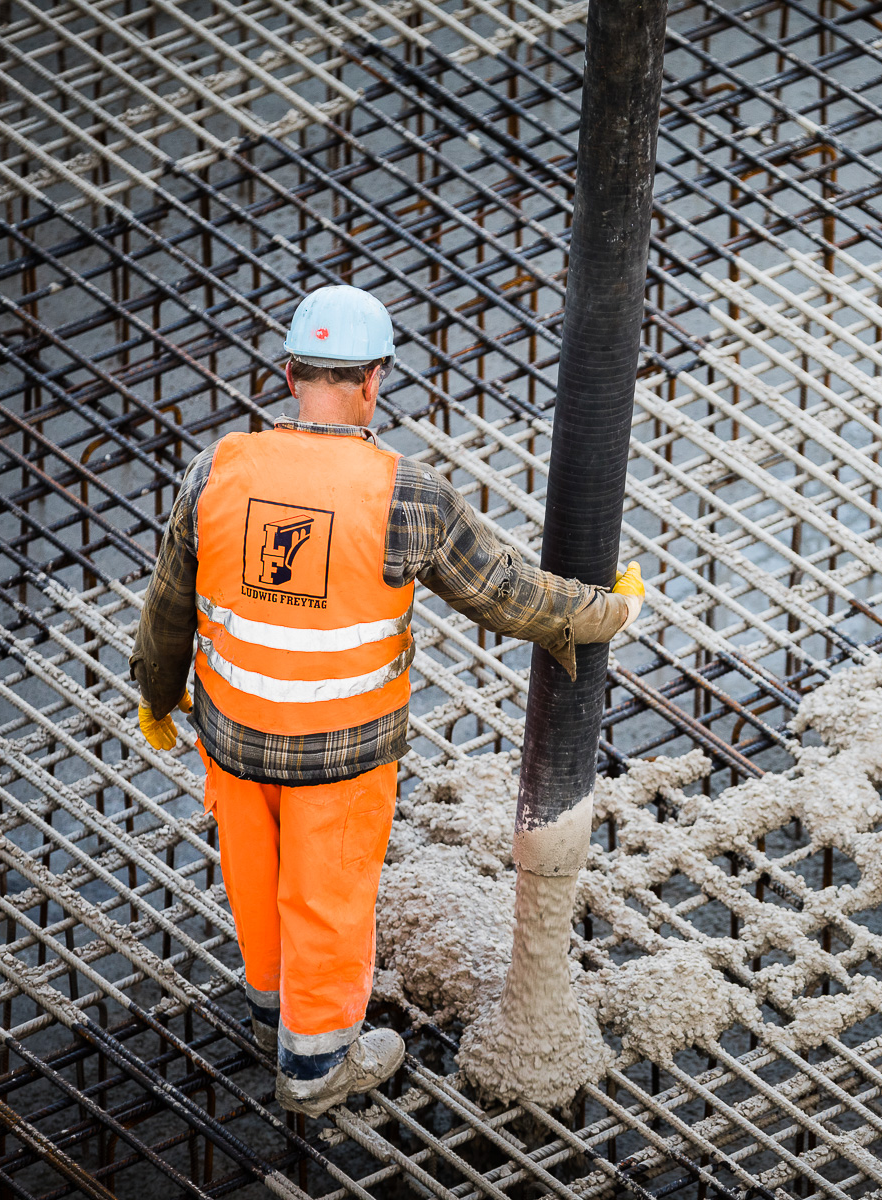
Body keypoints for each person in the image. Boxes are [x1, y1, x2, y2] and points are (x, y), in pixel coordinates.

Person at [131, 285, 646, 1114]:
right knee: (327, 897)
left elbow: (168, 608)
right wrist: (607, 611)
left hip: (229, 738)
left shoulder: (217, 469)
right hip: (340, 754)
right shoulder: (405, 494)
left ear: (289, 372)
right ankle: (317, 1067)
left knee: (256, 881)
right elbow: (510, 596)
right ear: (373, 383)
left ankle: (273, 1011)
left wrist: (157, 696)